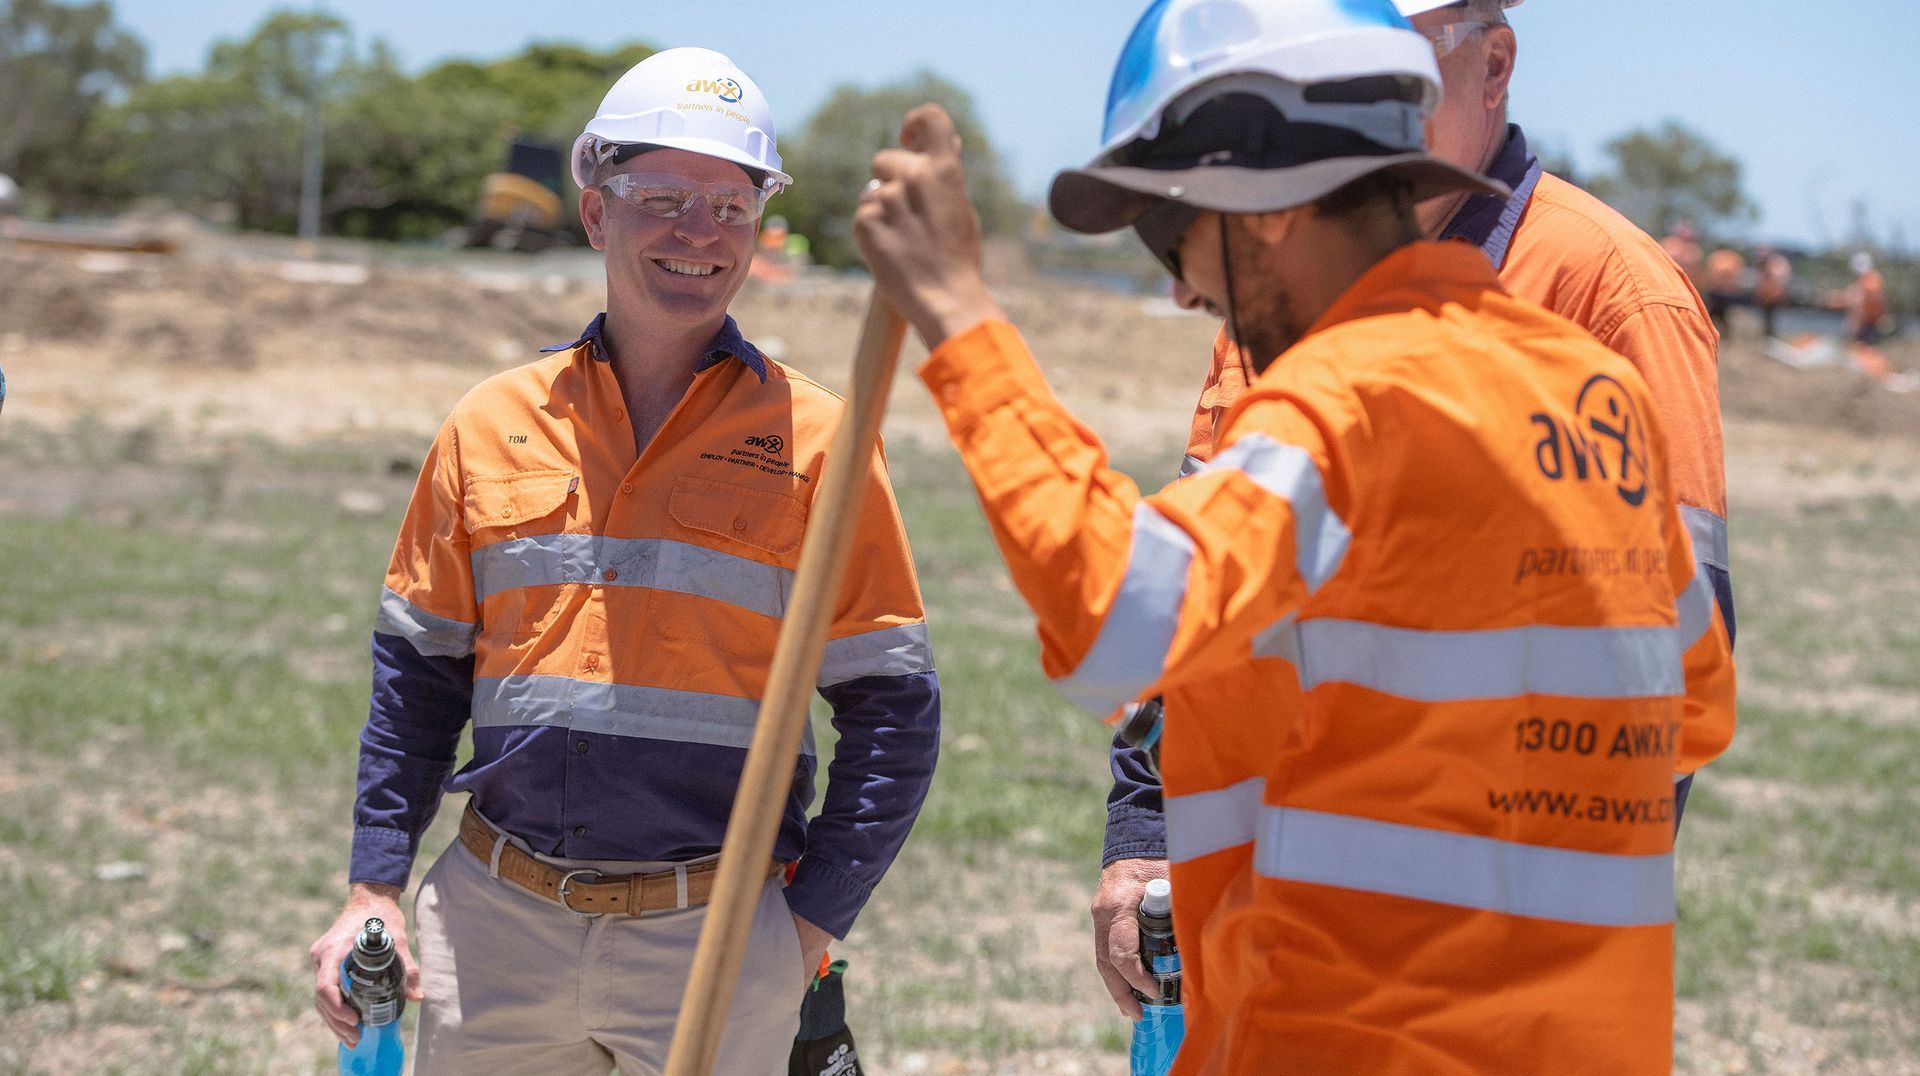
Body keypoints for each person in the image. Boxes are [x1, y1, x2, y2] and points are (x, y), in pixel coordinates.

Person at [854, 0, 1734, 1068]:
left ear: (1260, 202)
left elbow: (1123, 619)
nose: (1180, 286)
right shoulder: (1595, 395)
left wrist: (959, 315)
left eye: (1168, 228)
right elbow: (1689, 706)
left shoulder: (1353, 394)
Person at [1092, 0, 1740, 1018]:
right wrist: (1140, 840)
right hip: (1250, 923)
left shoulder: (1611, 292)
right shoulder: (1280, 266)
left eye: (1402, 58)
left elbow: (1662, 675)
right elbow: (1193, 608)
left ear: (1495, 65)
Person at [307, 48, 941, 1074]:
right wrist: (373, 885)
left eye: (731, 206)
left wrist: (812, 922)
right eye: (665, 199)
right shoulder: (489, 422)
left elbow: (894, 706)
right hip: (492, 931)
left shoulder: (823, 436)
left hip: (720, 939)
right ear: (597, 211)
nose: (700, 234)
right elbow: (414, 682)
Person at [1704, 246, 1746, 338]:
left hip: (1728, 291)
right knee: (1713, 313)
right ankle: (1708, 331)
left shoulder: (1733, 258)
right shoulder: (1716, 257)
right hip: (1716, 291)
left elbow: (1737, 273)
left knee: (1726, 314)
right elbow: (1711, 272)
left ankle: (1723, 332)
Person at [1753, 243, 1792, 339]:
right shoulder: (1762, 266)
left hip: (1775, 296)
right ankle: (1767, 337)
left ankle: (1771, 337)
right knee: (1766, 318)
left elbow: (1779, 279)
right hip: (1765, 297)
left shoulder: (1777, 263)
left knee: (1773, 318)